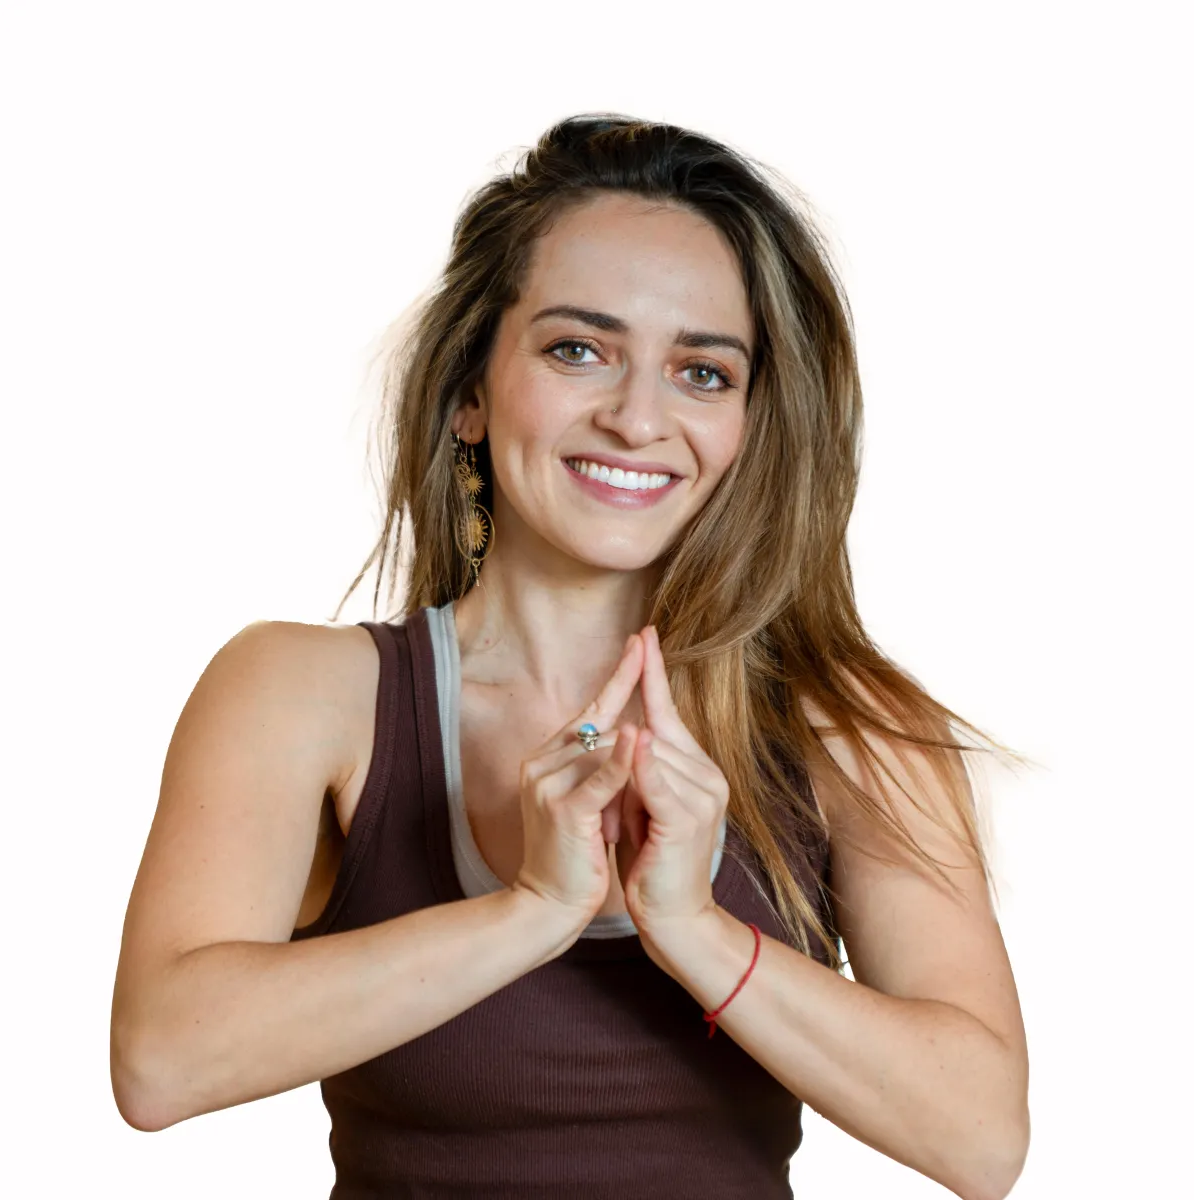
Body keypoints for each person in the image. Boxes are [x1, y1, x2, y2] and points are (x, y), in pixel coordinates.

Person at [110, 113, 1030, 1199]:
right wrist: (531, 911)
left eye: (703, 372)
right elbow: (161, 1063)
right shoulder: (301, 694)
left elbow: (981, 1141)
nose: (638, 419)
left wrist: (692, 929)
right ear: (468, 392)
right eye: (577, 350)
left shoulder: (847, 731)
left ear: (752, 425)